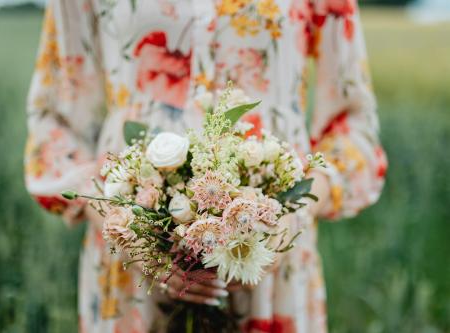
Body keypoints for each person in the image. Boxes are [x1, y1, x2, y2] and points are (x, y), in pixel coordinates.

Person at [24, 0, 387, 332]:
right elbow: (55, 122)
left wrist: (298, 211)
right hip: (132, 264)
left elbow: (352, 123)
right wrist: (116, 220)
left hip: (274, 263)